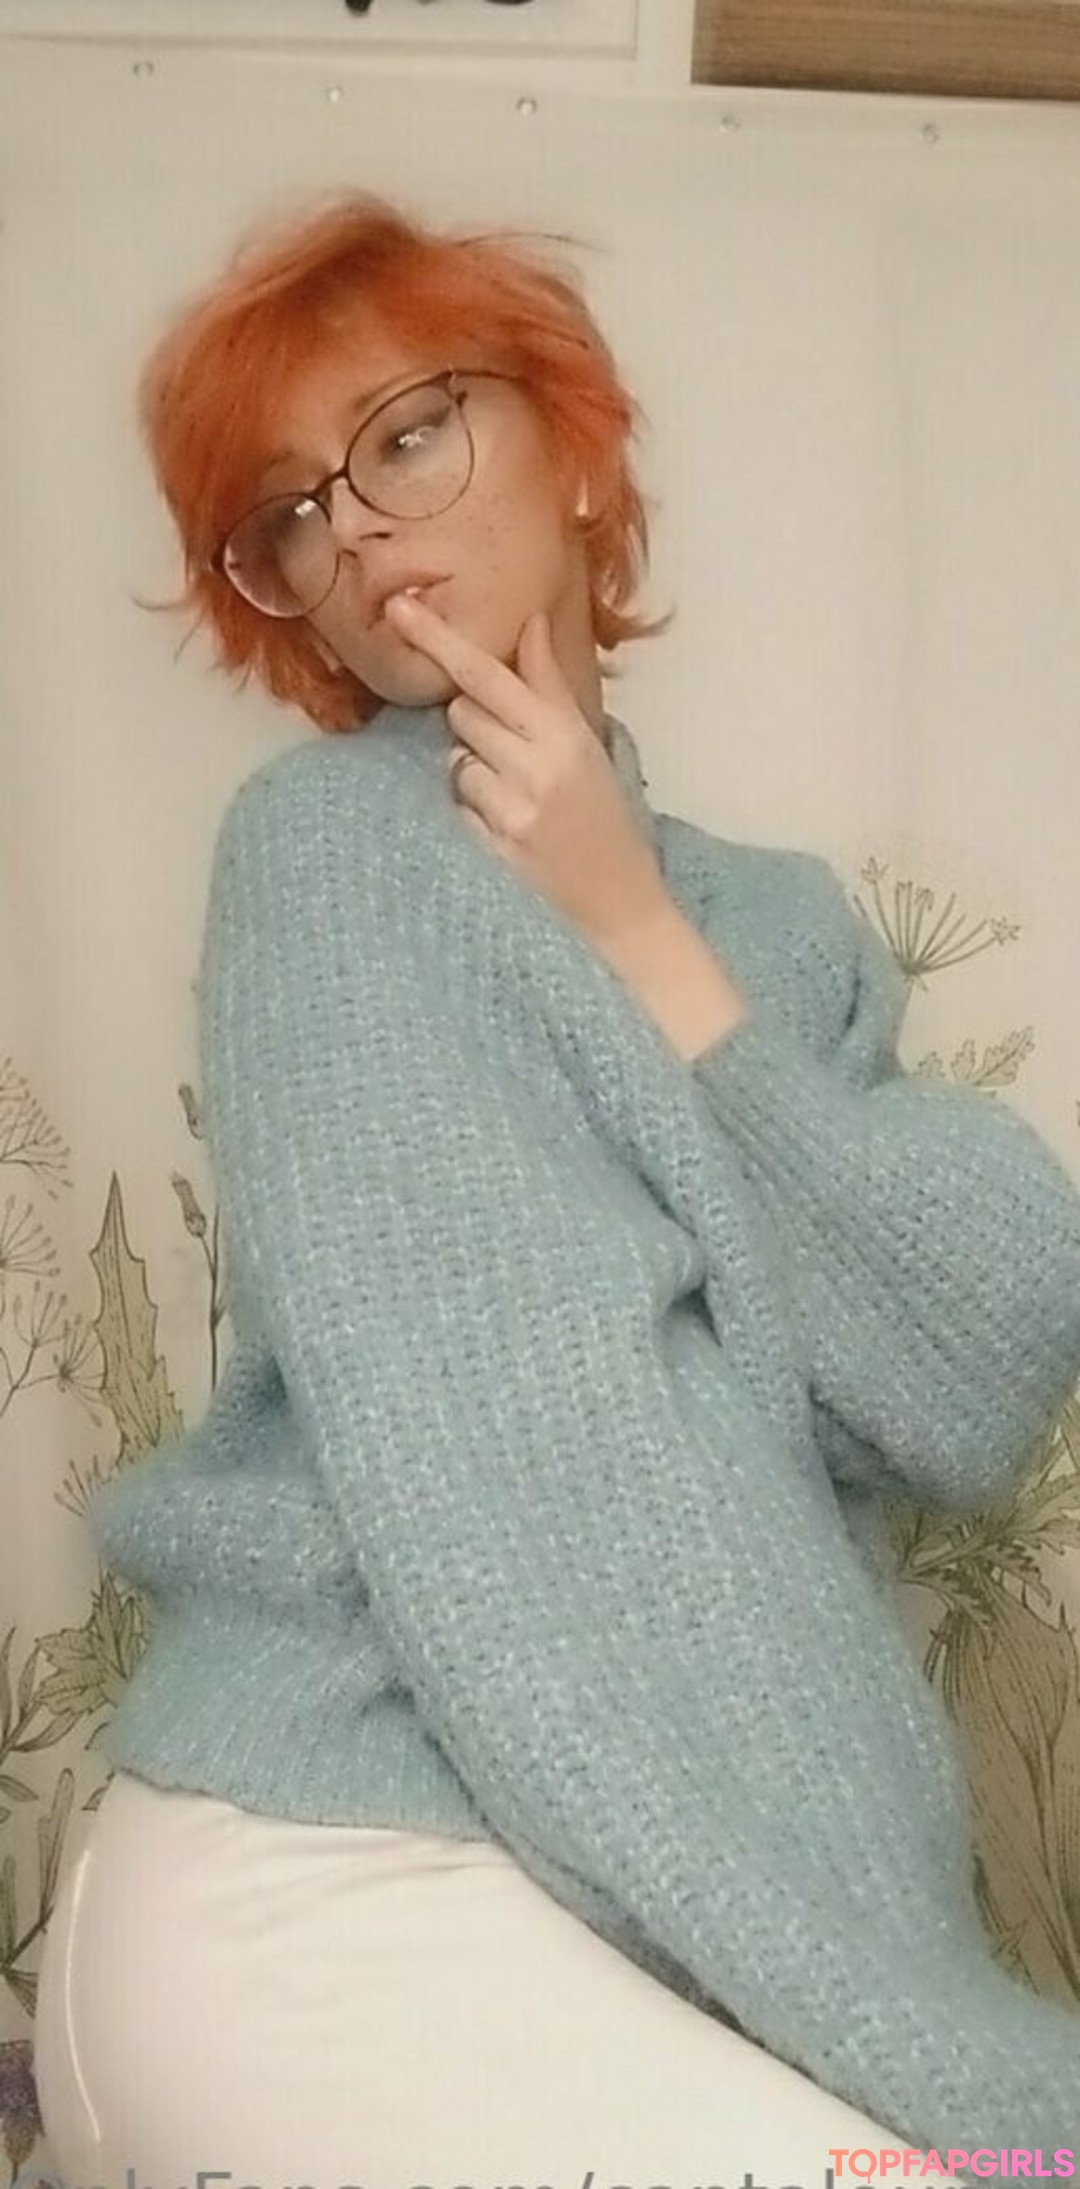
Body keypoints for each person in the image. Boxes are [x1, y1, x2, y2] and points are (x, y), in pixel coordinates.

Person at [33, 188, 1080, 2187]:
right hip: (333, 1878)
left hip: (622, 1908)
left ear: (579, 445)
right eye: (292, 514)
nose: (357, 530)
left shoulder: (782, 928)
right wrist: (921, 2031)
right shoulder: (335, 860)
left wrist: (635, 929)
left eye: (407, 433)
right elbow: (546, 1484)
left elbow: (973, 1367)